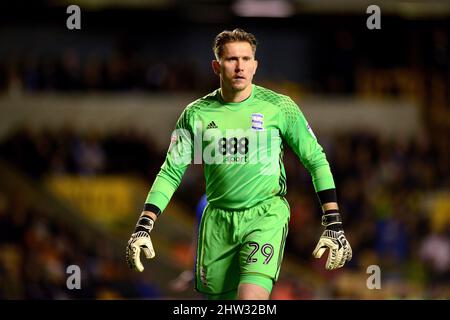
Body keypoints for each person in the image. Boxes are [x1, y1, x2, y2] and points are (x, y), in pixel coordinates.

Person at [126, 28, 352, 300]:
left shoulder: (280, 107)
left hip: (264, 215)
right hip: (218, 223)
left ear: (255, 65)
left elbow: (316, 160)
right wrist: (144, 224)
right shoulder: (195, 113)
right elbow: (171, 171)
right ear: (216, 65)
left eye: (246, 59)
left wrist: (333, 222)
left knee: (250, 301)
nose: (240, 66)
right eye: (232, 59)